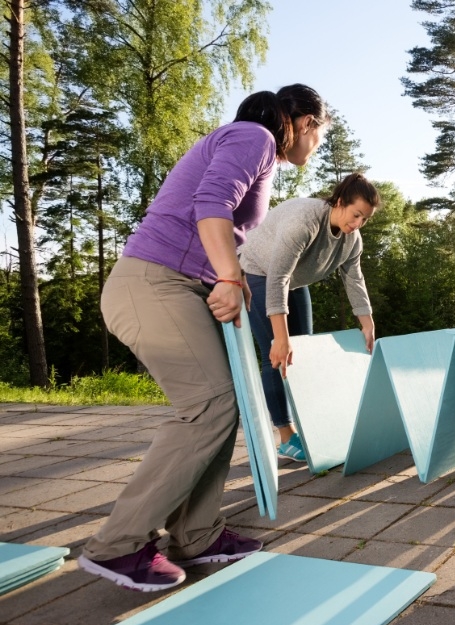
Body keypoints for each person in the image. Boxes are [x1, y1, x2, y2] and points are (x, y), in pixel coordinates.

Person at [79, 84, 329, 592]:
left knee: (224, 403)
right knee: (210, 402)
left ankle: (196, 536)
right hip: (153, 280)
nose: (319, 143)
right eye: (322, 132)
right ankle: (118, 544)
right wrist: (232, 278)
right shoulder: (254, 136)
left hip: (178, 285)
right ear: (305, 122)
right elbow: (210, 204)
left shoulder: (257, 148)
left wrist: (223, 279)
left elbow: (215, 222)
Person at [239, 173, 380, 463]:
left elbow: (354, 279)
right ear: (339, 201)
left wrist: (367, 323)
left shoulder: (352, 239)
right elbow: (277, 278)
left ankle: (309, 426)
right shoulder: (304, 223)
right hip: (260, 271)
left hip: (295, 280)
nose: (358, 224)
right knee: (277, 354)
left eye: (364, 219)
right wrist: (281, 338)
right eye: (355, 215)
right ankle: (286, 437)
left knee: (304, 353)